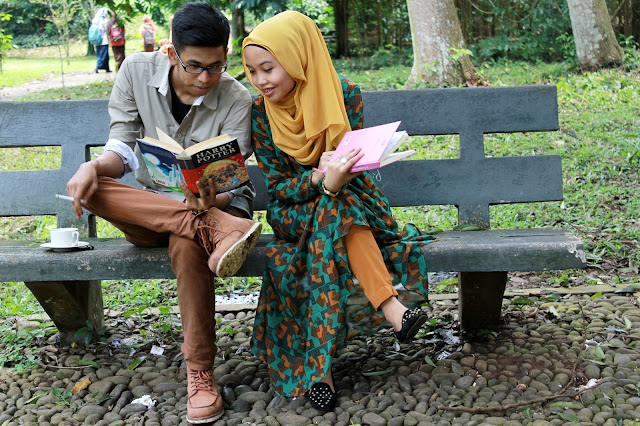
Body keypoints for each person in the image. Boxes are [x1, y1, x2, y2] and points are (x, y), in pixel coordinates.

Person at [67, 2, 261, 423]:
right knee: (94, 185)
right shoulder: (136, 71)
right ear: (172, 53)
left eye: (216, 66)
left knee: (189, 245)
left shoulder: (235, 97)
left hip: (219, 205)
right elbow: (121, 147)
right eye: (195, 66)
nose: (206, 78)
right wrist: (93, 167)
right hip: (155, 210)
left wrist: (211, 202)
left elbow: (232, 180)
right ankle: (212, 229)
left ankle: (200, 373)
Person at [242, 11, 432, 412]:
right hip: (295, 211)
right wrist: (318, 180)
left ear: (297, 58)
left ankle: (320, 372)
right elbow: (278, 189)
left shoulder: (345, 94)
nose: (260, 81)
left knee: (331, 223)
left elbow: (356, 166)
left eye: (268, 68)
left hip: (353, 201)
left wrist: (337, 177)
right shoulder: (260, 113)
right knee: (331, 212)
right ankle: (393, 309)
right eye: (252, 71)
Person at [92, 7, 111, 73]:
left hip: (97, 41)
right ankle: (98, 66)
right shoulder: (104, 21)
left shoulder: (95, 20)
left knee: (101, 54)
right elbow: (105, 30)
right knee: (103, 55)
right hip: (104, 40)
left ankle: (107, 68)